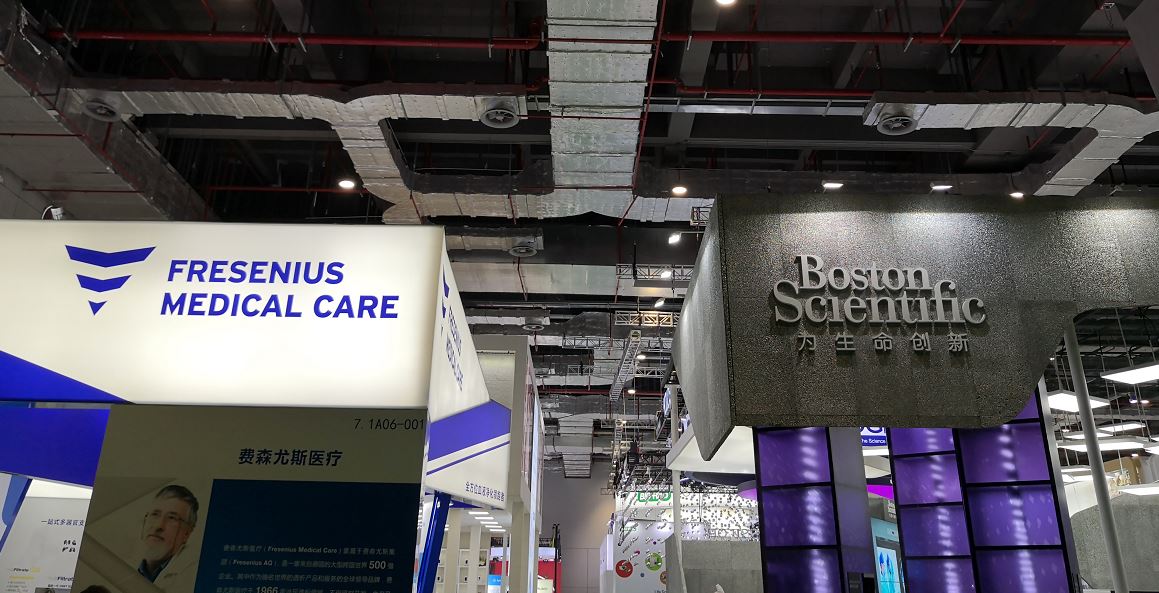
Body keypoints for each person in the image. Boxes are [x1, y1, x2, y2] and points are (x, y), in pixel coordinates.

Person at [138, 485, 199, 585]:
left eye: (172, 518)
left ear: (186, 533)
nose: (158, 526)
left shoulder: (191, 575)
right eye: (155, 514)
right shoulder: (123, 561)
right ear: (145, 521)